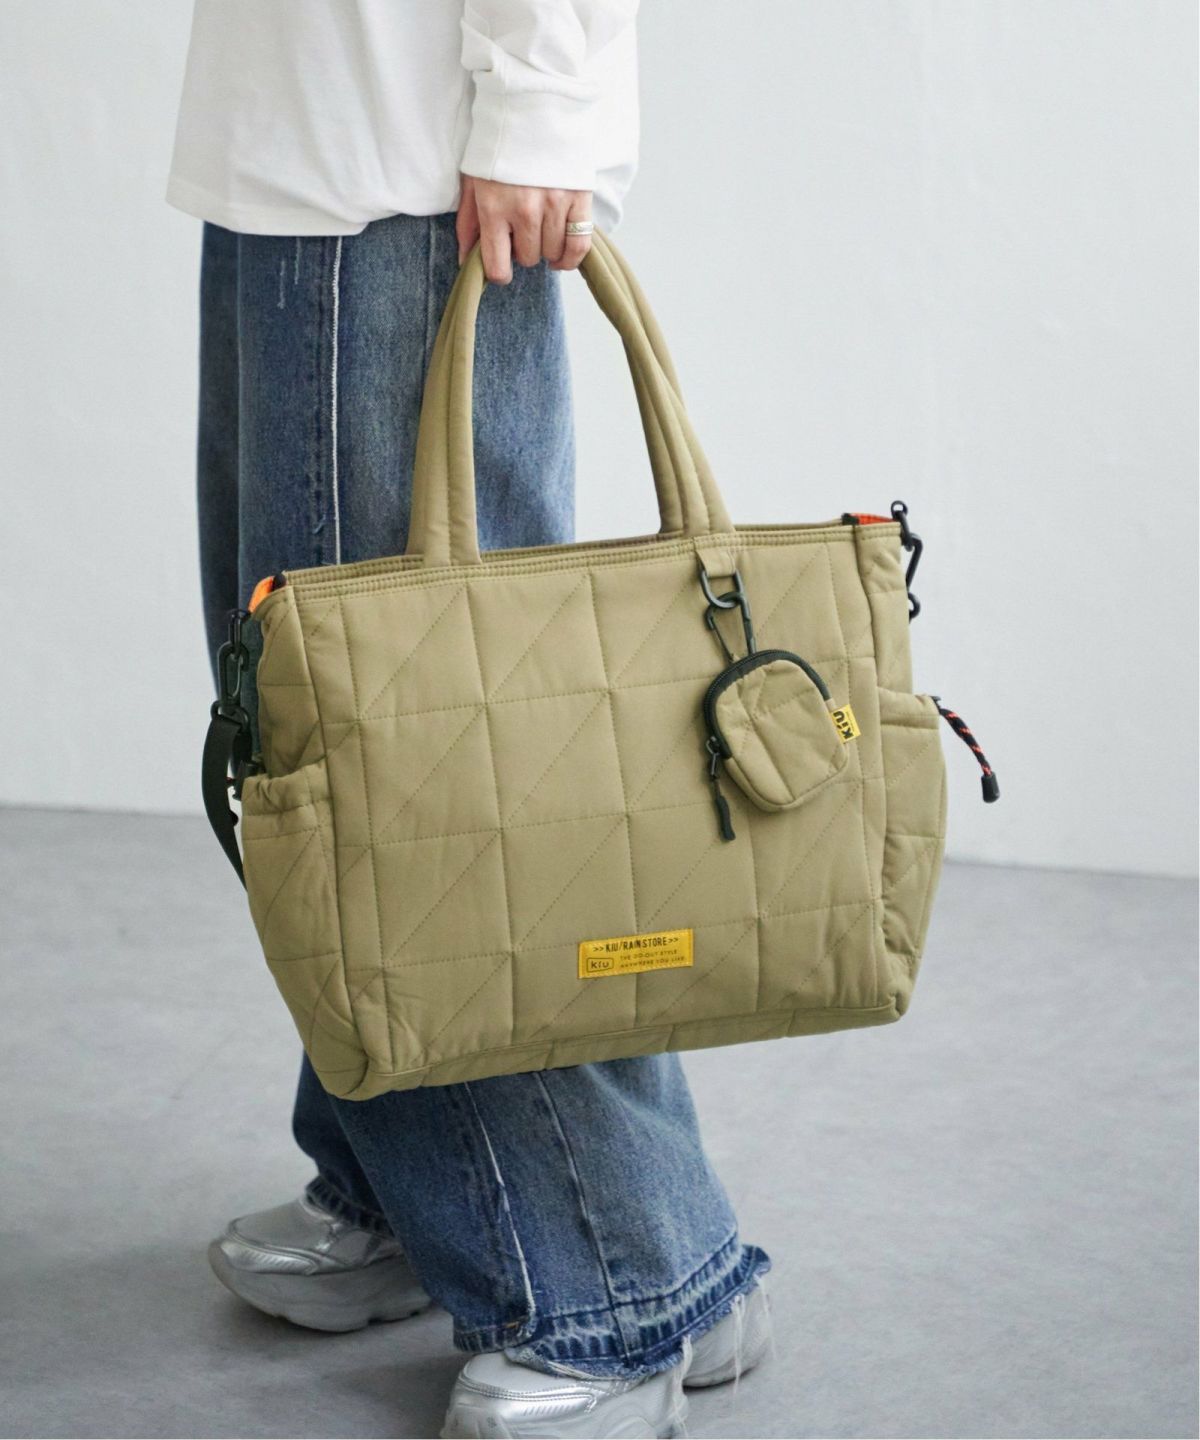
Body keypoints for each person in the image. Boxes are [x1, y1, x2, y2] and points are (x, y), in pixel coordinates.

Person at [171, 4, 771, 1434]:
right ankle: (417, 1182)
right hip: (296, 151)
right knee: (321, 758)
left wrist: (543, 103)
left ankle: (622, 1281)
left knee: (424, 780)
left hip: (395, 177)